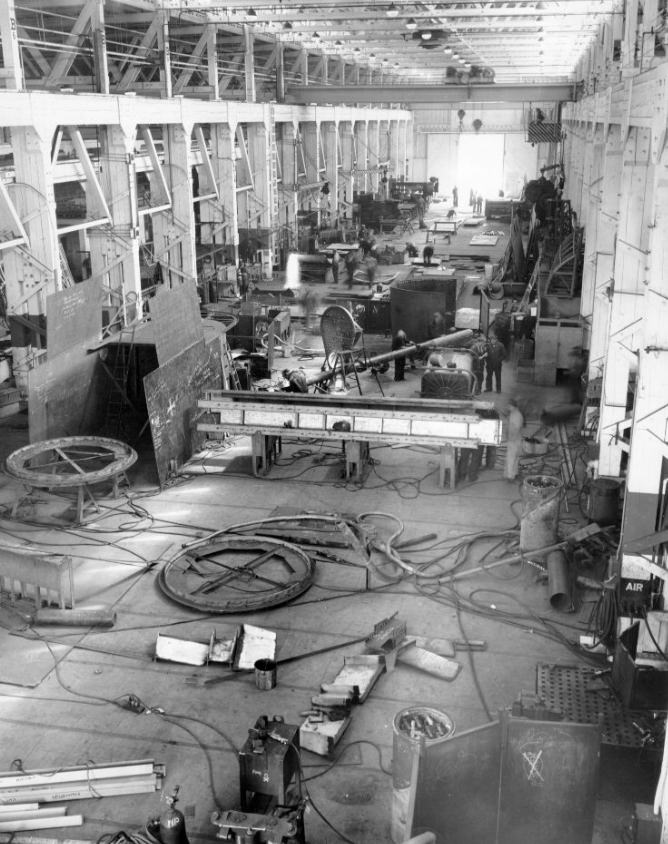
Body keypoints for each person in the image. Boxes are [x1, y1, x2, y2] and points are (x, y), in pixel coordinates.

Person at [504, 398, 525, 481]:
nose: (507, 407)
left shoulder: (516, 415)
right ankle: (514, 473)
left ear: (512, 406)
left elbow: (516, 428)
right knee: (515, 458)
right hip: (516, 439)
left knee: (511, 458)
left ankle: (510, 476)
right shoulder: (514, 413)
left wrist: (511, 438)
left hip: (514, 440)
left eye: (508, 406)